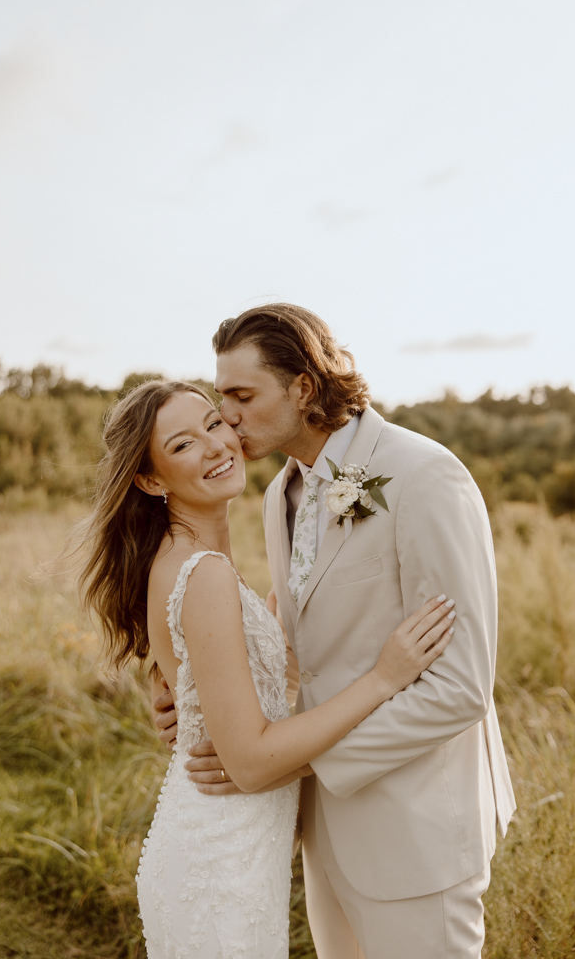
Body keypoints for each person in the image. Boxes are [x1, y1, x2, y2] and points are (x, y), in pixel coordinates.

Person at [154, 303, 516, 959]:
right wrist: (197, 693)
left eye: (241, 396)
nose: (227, 418)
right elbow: (312, 659)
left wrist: (292, 764)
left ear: (302, 386)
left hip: (416, 837)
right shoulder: (276, 496)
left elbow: (461, 688)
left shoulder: (423, 476)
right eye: (220, 397)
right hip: (323, 840)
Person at [78, 377, 456, 959]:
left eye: (212, 423)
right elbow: (250, 763)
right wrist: (383, 678)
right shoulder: (201, 574)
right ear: (150, 480)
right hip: (220, 864)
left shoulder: (204, 560)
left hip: (235, 850)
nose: (214, 445)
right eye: (181, 446)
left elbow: (240, 688)